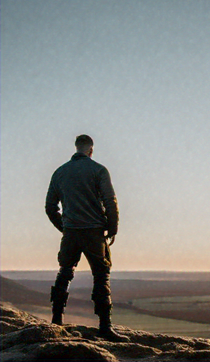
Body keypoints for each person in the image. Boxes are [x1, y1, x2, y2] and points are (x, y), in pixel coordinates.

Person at [45, 134, 128, 341]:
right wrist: (113, 227)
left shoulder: (60, 172)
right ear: (91, 150)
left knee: (65, 272)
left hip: (71, 231)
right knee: (101, 275)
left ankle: (56, 321)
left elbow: (50, 207)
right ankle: (105, 327)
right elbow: (110, 200)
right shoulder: (99, 170)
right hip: (94, 231)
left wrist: (64, 227)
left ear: (76, 148)